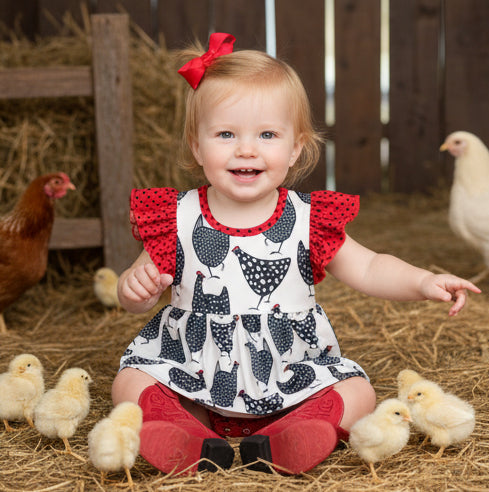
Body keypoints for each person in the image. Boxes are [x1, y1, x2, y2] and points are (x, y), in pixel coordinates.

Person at [112, 33, 481, 476]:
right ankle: (184, 434)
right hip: (194, 377)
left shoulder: (308, 218)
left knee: (358, 391)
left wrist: (423, 282)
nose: (246, 149)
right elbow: (135, 290)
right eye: (226, 134)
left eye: (267, 134)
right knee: (130, 380)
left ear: (295, 148)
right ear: (197, 145)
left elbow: (369, 265)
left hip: (290, 376)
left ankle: (295, 432)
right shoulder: (174, 216)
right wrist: (135, 290)